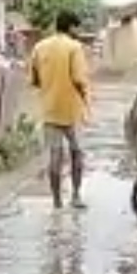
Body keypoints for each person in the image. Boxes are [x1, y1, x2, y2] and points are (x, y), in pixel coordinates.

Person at [28, 11, 91, 209]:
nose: (78, 31)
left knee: (54, 156)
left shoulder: (39, 47)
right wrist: (86, 100)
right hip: (72, 110)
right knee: (77, 153)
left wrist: (49, 87)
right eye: (77, 27)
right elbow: (79, 79)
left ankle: (56, 201)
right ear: (71, 27)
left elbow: (34, 80)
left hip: (49, 109)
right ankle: (76, 195)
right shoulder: (74, 47)